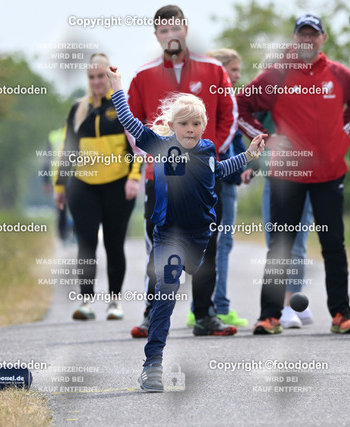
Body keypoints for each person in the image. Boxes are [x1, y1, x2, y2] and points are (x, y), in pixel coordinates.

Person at [107, 65, 265, 392]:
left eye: (196, 124)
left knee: (192, 269)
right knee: (166, 293)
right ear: (172, 126)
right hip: (168, 233)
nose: (190, 130)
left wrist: (248, 156)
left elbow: (219, 170)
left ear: (203, 126)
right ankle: (152, 365)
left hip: (201, 234)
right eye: (184, 124)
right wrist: (117, 86)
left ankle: (187, 272)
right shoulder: (160, 145)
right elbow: (129, 122)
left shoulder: (207, 149)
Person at [237, 14, 350, 335]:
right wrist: (265, 139)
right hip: (287, 174)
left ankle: (341, 315)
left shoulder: (339, 74)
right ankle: (270, 316)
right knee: (280, 246)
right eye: (302, 35)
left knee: (333, 244)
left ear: (323, 38)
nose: (308, 40)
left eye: (313, 34)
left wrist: (341, 135)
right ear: (295, 38)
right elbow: (240, 105)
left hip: (329, 173)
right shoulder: (277, 74)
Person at [126, 5, 239, 338]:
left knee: (207, 246)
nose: (170, 35)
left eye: (175, 28)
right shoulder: (143, 75)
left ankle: (204, 315)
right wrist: (156, 157)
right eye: (163, 30)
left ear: (185, 30)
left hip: (204, 181)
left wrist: (205, 157)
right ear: (156, 35)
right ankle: (152, 313)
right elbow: (132, 125)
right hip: (160, 179)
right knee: (159, 247)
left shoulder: (213, 69)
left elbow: (229, 116)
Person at [53, 53, 141, 321]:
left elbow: (137, 146)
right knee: (86, 245)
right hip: (84, 187)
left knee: (114, 244)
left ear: (109, 76)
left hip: (118, 185)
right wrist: (60, 185)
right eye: (91, 77)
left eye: (101, 76)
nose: (96, 81)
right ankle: (86, 301)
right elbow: (68, 149)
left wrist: (134, 178)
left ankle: (114, 302)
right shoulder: (78, 109)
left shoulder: (123, 105)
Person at [242, 119, 315, 329]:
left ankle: (291, 305)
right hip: (274, 178)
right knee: (275, 243)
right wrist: (253, 165)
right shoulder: (270, 102)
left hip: (306, 177)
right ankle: (284, 303)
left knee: (297, 243)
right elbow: (262, 132)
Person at [206, 48, 248, 327]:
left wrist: (244, 163)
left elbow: (236, 140)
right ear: (221, 70)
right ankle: (218, 306)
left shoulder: (215, 98)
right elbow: (227, 139)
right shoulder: (222, 100)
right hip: (221, 178)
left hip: (222, 176)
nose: (238, 75)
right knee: (221, 243)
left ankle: (201, 306)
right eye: (233, 70)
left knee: (210, 243)